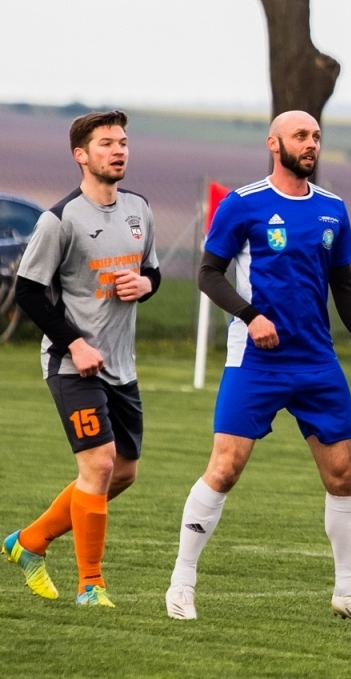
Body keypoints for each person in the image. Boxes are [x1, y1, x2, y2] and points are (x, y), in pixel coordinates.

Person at [165, 110, 351, 626]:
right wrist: (250, 316)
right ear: (274, 143)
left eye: (315, 136)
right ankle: (182, 582)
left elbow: (345, 285)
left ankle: (349, 593)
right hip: (256, 360)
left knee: (343, 474)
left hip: (317, 362)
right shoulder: (243, 205)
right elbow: (207, 273)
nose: (310, 143)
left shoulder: (333, 209)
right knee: (225, 467)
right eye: (300, 135)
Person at [5, 111, 160, 608]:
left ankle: (29, 542)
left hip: (122, 364)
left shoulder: (140, 208)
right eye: (106, 144)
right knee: (98, 463)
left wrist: (146, 285)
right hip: (73, 363)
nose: (119, 151)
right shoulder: (60, 219)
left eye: (123, 142)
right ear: (81, 155)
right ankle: (91, 587)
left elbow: (151, 271)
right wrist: (73, 341)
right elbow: (28, 293)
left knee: (124, 473)